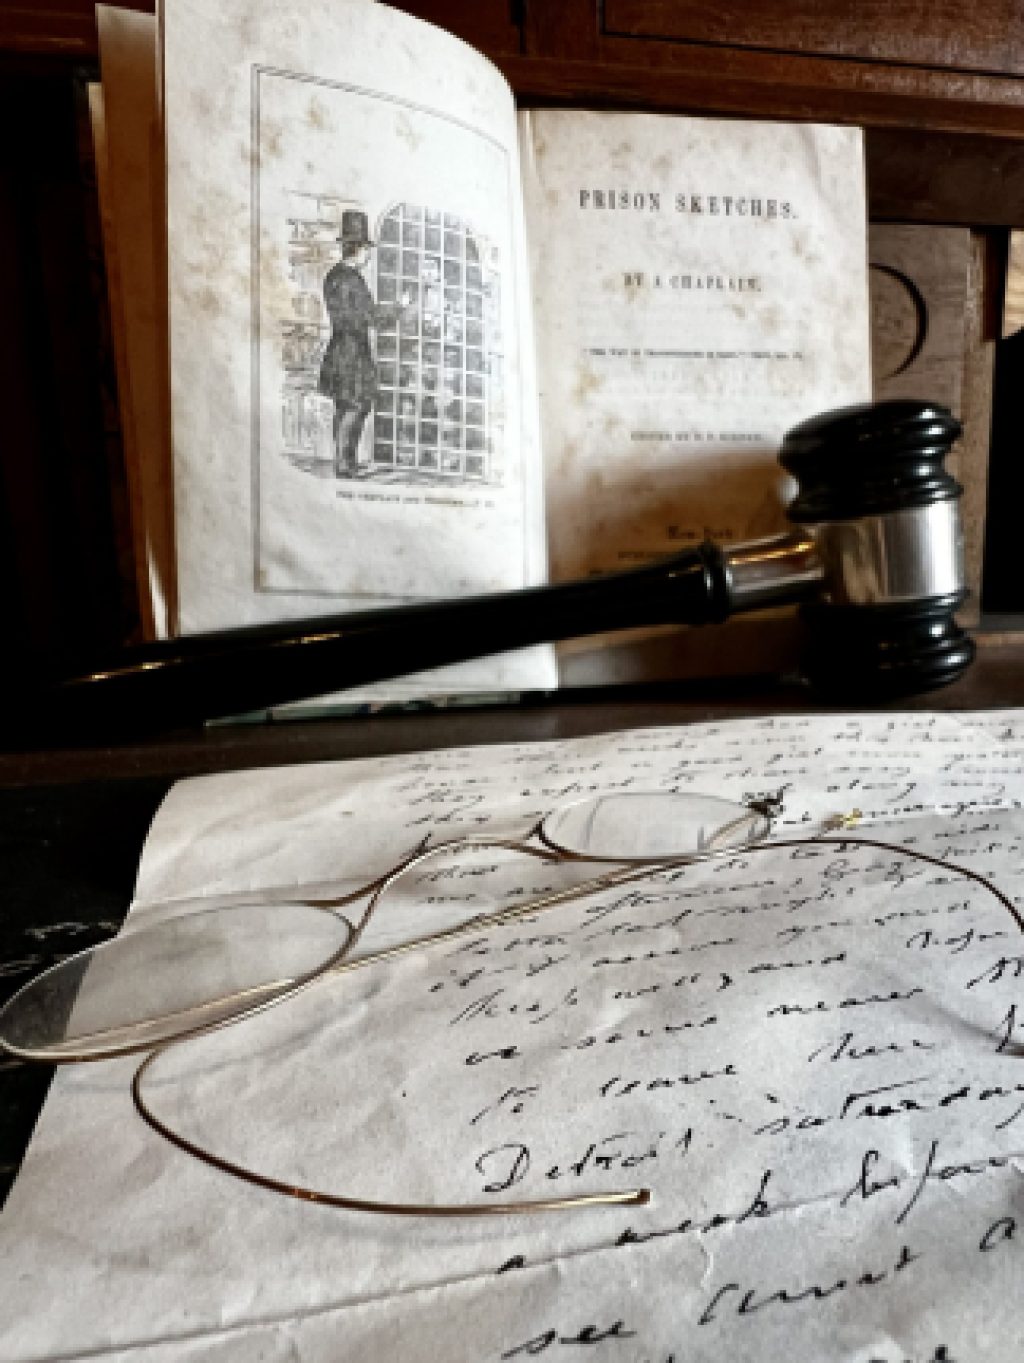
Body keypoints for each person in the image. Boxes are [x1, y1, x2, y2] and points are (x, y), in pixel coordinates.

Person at [317, 210, 407, 476]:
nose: (369, 254)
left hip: (337, 348)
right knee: (357, 406)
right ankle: (344, 464)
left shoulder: (332, 275)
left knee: (344, 405)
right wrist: (399, 308)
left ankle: (345, 460)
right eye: (367, 249)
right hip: (353, 350)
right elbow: (371, 317)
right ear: (358, 249)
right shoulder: (353, 280)